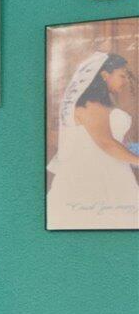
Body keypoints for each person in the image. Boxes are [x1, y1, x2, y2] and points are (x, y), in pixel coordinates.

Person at [48, 49, 139, 230]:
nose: (125, 81)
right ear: (105, 75)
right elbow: (106, 143)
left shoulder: (98, 104)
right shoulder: (91, 105)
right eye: (122, 76)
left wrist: (131, 149)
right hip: (97, 176)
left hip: (112, 169)